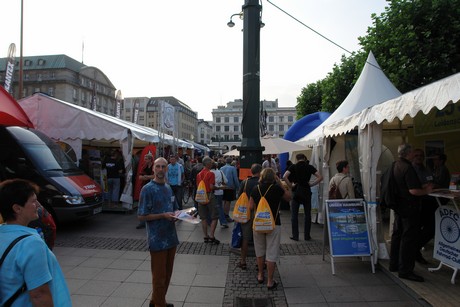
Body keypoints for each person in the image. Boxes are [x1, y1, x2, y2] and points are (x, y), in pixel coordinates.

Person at [0, 179, 71, 306]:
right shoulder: (31, 243)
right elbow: (39, 294)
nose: (38, 205)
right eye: (33, 201)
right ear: (17, 208)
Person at [137, 157, 179, 307]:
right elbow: (141, 216)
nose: (161, 169)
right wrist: (162, 215)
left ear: (167, 169)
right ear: (153, 168)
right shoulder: (147, 189)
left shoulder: (168, 187)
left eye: (163, 167)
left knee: (167, 275)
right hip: (157, 240)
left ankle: (157, 301)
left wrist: (180, 215)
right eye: (158, 167)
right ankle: (159, 304)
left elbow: (174, 209)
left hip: (171, 237)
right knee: (159, 276)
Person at [389, 144, 433, 282]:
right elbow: (413, 190)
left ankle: (394, 264)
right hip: (409, 208)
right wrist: (426, 191)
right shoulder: (408, 168)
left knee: (397, 236)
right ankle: (405, 270)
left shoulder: (395, 165)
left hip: (399, 207)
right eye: (414, 154)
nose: (415, 156)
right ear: (408, 154)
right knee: (408, 239)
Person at [249, 168, 291, 290]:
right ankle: (270, 281)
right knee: (271, 253)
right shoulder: (277, 188)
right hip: (274, 223)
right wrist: (280, 185)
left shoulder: (255, 189)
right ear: (274, 177)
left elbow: (250, 206)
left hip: (259, 224)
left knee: (260, 251)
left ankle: (261, 275)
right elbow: (289, 197)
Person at [283, 153, 323, 241]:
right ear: (304, 159)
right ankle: (307, 236)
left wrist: (290, 186)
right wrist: (311, 184)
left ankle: (295, 235)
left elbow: (284, 176)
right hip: (306, 191)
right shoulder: (309, 167)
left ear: (297, 159)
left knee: (294, 215)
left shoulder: (293, 167)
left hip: (296, 191)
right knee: (307, 214)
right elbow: (320, 177)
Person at [412, 149, 437, 264]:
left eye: (421, 155)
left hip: (430, 203)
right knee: (416, 230)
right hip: (417, 204)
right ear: (412, 156)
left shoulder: (427, 169)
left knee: (431, 229)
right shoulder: (410, 169)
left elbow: (432, 181)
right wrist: (423, 186)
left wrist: (432, 185)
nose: (419, 157)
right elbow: (411, 187)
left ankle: (415, 249)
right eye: (416, 155)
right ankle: (414, 252)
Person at [237, 163, 262, 270]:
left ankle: (243, 261)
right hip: (260, 212)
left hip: (246, 212)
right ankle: (259, 263)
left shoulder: (245, 182)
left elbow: (239, 196)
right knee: (260, 239)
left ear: (251, 171)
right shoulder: (262, 183)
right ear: (260, 171)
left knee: (245, 238)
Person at [196, 156, 220, 244]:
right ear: (208, 164)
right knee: (215, 216)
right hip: (209, 196)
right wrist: (218, 187)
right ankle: (211, 236)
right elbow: (211, 187)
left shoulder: (198, 174)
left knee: (203, 218)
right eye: (211, 163)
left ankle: (205, 236)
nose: (212, 164)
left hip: (201, 196)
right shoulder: (211, 174)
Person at [136, 153, 155, 229]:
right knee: (143, 204)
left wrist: (146, 176)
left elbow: (155, 176)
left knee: (152, 204)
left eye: (146, 159)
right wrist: (148, 177)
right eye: (145, 159)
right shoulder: (144, 166)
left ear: (150, 159)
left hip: (153, 187)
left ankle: (151, 220)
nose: (145, 160)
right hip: (144, 187)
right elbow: (140, 177)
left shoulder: (154, 166)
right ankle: (142, 222)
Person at [220, 157, 240, 222]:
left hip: (222, 186)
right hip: (230, 187)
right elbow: (235, 178)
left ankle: (223, 215)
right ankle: (226, 215)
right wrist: (238, 187)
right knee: (228, 201)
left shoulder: (221, 168)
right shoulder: (233, 168)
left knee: (223, 200)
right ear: (231, 162)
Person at [211, 162, 229, 228]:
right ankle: (223, 221)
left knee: (210, 207)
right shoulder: (220, 172)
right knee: (219, 207)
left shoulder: (209, 172)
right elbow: (226, 181)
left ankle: (210, 221)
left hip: (211, 192)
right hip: (219, 192)